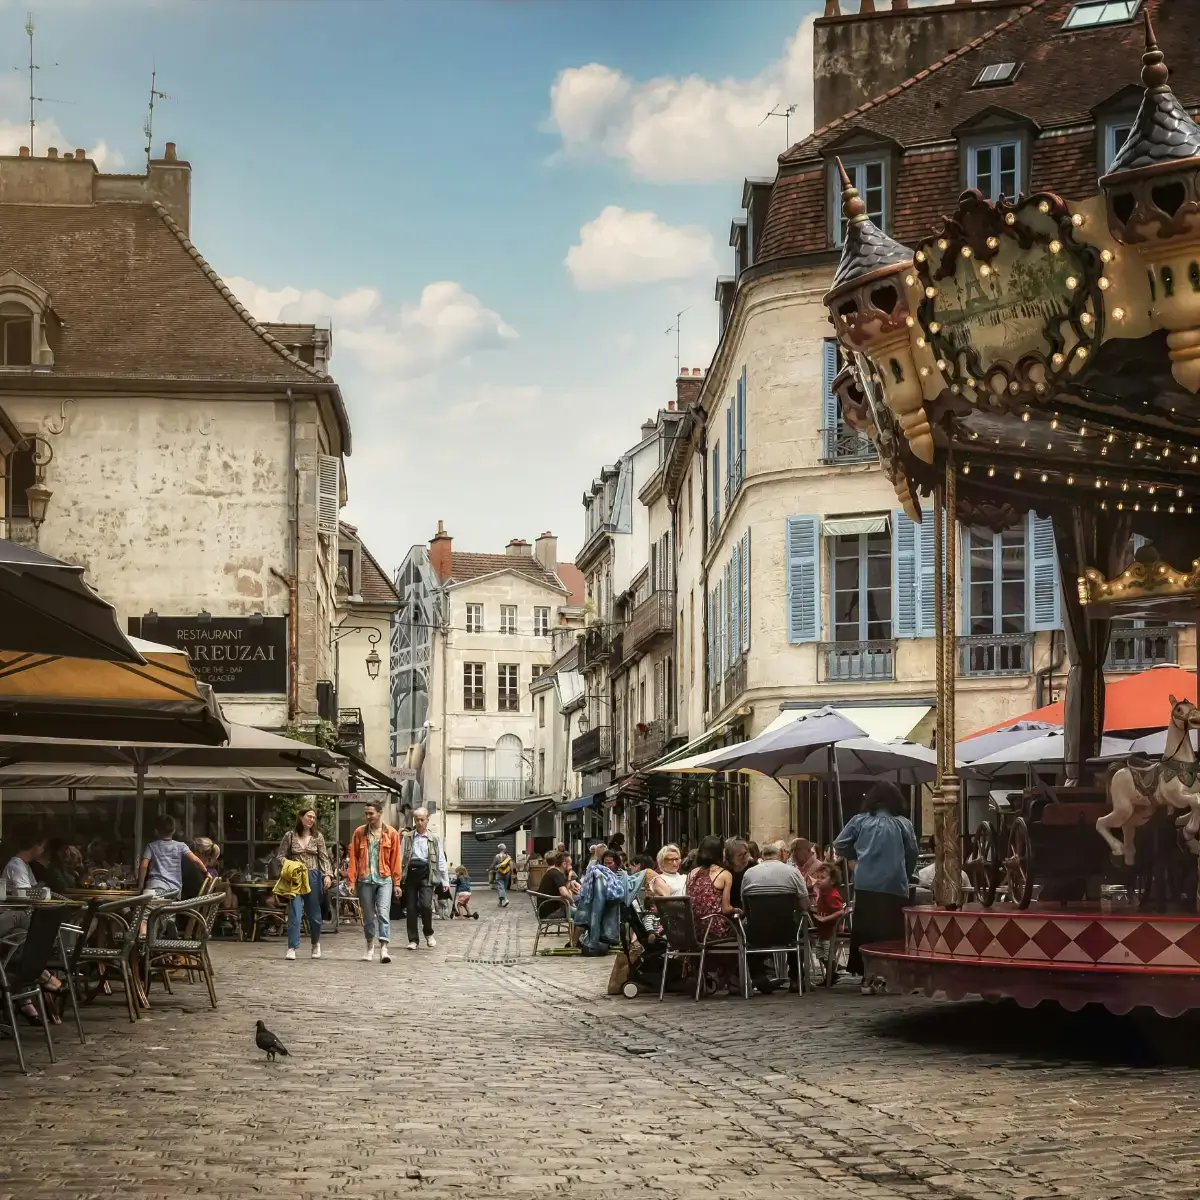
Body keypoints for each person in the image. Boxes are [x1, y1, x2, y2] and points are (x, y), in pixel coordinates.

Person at [833, 781, 918, 996]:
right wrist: (905, 874)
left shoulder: (859, 821)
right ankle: (892, 975)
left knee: (867, 929)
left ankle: (867, 976)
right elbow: (912, 853)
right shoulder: (903, 824)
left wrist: (858, 855)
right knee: (892, 931)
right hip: (894, 883)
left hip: (866, 882)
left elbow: (840, 844)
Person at [740, 840, 811, 993]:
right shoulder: (792, 872)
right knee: (798, 925)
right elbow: (805, 905)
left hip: (757, 932)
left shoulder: (749, 873)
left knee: (746, 929)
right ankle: (796, 978)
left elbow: (745, 908)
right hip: (786, 931)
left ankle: (758, 975)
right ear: (780, 855)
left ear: (761, 856)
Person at [347, 800, 402, 963]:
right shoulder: (359, 833)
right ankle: (370, 947)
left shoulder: (391, 833)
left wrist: (397, 883)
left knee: (384, 913)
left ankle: (384, 948)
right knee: (368, 916)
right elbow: (353, 859)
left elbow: (396, 859)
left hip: (384, 879)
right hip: (365, 879)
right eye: (366, 813)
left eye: (371, 813)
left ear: (379, 813)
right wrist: (351, 881)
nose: (368, 816)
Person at [276, 807, 333, 962]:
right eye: (309, 816)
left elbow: (324, 857)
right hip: (295, 876)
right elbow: (280, 856)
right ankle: (292, 947)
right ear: (301, 817)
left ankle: (315, 943)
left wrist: (327, 875)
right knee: (295, 911)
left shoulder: (317, 837)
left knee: (314, 914)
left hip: (313, 875)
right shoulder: (290, 836)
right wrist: (289, 865)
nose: (311, 820)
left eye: (314, 817)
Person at [685, 835, 738, 992]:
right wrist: (738, 910)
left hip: (694, 930)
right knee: (740, 934)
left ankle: (711, 974)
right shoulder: (724, 874)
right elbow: (726, 909)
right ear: (721, 852)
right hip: (713, 930)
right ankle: (733, 979)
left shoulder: (692, 873)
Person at [399, 807, 448, 950]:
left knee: (426, 905)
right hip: (410, 874)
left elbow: (440, 861)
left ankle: (428, 933)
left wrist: (444, 881)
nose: (419, 823)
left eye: (422, 819)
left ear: (427, 820)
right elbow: (401, 858)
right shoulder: (407, 837)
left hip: (427, 874)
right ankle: (413, 939)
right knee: (411, 908)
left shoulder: (434, 839)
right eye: (417, 820)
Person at [137, 815, 207, 900]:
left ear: (156, 831)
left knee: (139, 909)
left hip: (154, 888)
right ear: (174, 831)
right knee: (165, 911)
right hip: (173, 892)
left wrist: (140, 886)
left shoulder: (151, 846)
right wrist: (206, 872)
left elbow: (144, 866)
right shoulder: (181, 846)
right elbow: (195, 860)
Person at [811, 862, 846, 945]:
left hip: (832, 931)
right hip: (824, 931)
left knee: (828, 955)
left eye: (822, 878)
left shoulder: (832, 895)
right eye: (818, 877)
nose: (818, 880)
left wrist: (824, 919)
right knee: (821, 955)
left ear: (832, 881)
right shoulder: (822, 893)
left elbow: (840, 912)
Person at [724, 838, 752, 908]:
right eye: (740, 855)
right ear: (731, 858)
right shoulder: (726, 873)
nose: (744, 857)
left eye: (745, 853)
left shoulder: (753, 867)